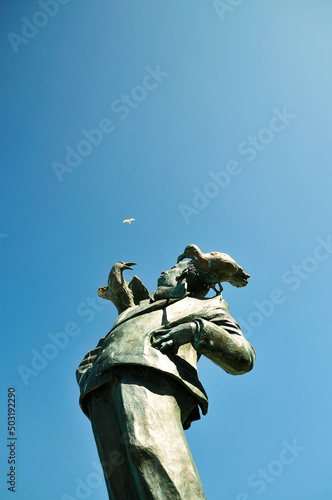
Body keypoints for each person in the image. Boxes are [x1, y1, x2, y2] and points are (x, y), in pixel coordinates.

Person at [76, 259, 256, 500]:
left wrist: (195, 330)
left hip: (153, 375)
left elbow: (244, 357)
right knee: (122, 481)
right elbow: (103, 346)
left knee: (151, 455)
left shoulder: (207, 307)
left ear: (184, 277)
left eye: (170, 270)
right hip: (100, 387)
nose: (162, 271)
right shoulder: (135, 310)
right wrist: (87, 373)